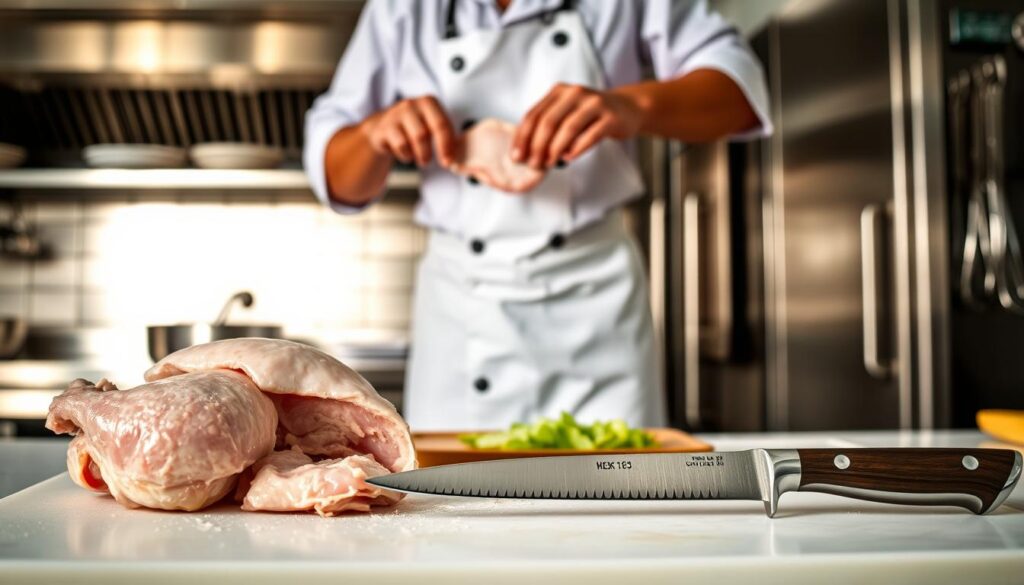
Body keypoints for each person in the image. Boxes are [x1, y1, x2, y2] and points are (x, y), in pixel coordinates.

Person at [304, 0, 771, 431]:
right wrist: (374, 135)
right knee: (456, 512)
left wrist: (630, 105)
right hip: (462, 311)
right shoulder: (402, 8)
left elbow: (737, 89)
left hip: (595, 303)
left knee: (617, 509)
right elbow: (338, 175)